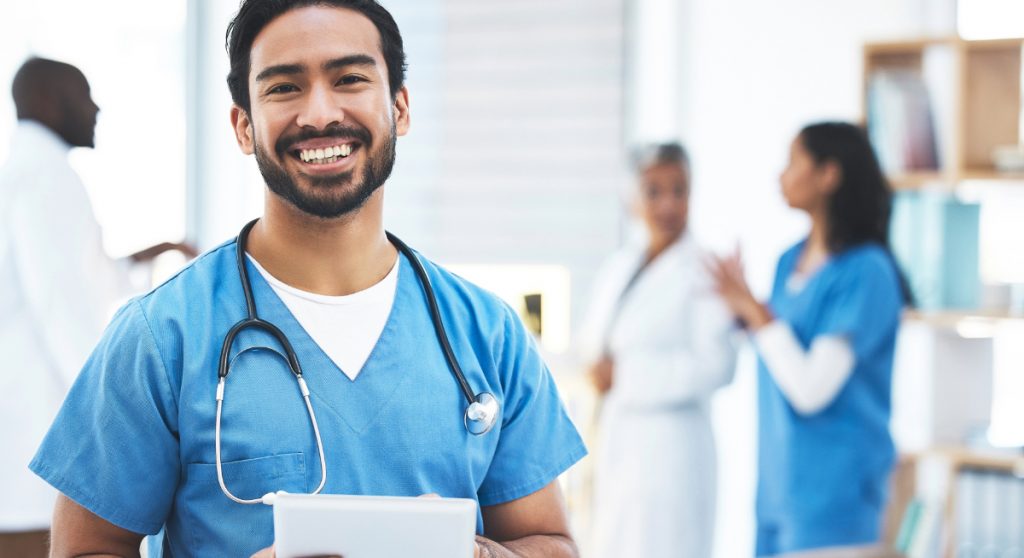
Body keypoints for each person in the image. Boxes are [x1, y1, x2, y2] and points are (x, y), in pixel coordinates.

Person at [29, 2, 587, 557]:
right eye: (283, 88)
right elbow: (85, 549)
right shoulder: (161, 337)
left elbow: (549, 544)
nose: (320, 114)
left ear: (401, 107)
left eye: (349, 78)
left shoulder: (488, 334)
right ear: (244, 125)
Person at [0, 57, 195, 557]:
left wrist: (149, 254)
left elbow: (75, 276)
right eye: (83, 93)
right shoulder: (46, 176)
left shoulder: (23, 169)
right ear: (47, 101)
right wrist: (108, 415)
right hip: (35, 440)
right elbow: (61, 308)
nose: (96, 107)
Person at [708, 122, 910, 555]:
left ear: (828, 175)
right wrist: (743, 315)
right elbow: (780, 350)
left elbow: (811, 389)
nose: (781, 175)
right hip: (778, 497)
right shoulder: (787, 262)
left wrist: (757, 313)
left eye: (793, 162)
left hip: (836, 508)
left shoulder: (867, 271)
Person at [579, 143, 737, 558]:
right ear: (631, 198)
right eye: (653, 192)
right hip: (621, 445)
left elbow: (717, 364)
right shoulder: (621, 266)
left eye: (679, 190)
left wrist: (626, 375)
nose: (668, 204)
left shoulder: (705, 270)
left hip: (672, 454)